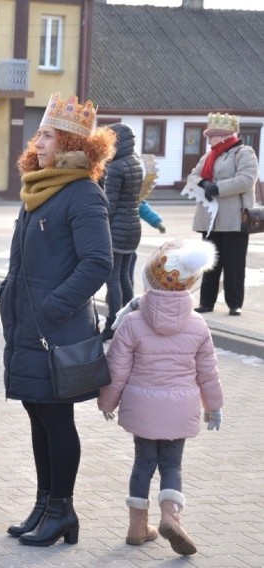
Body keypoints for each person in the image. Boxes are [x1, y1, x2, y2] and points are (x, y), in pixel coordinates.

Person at [0, 93, 115, 547]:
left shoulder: (83, 192)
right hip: (28, 324)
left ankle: (62, 510)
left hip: (57, 328)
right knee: (37, 411)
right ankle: (45, 504)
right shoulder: (40, 186)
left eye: (46, 134)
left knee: (56, 417)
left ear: (68, 142)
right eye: (39, 133)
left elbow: (98, 262)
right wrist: (10, 297)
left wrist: (52, 306)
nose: (38, 141)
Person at [98, 239, 223, 556]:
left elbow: (118, 367)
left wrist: (107, 402)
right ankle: (171, 516)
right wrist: (214, 407)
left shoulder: (132, 321)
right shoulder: (197, 324)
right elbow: (208, 371)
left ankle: (137, 528)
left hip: (142, 407)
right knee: (172, 466)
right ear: (191, 284)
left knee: (143, 463)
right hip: (179, 409)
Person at [188, 112, 258, 316]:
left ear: (224, 135)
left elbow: (246, 179)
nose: (209, 140)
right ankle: (206, 302)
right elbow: (193, 176)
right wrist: (203, 183)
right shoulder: (209, 155)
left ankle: (234, 303)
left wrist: (218, 187)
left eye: (212, 136)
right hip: (210, 219)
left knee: (234, 264)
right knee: (209, 262)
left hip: (234, 219)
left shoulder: (244, 153)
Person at [100, 123, 144, 341]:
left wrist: (98, 223)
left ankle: (112, 325)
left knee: (113, 278)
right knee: (125, 276)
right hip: (133, 225)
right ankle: (132, 320)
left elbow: (109, 205)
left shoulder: (116, 167)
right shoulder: (135, 162)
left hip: (117, 227)